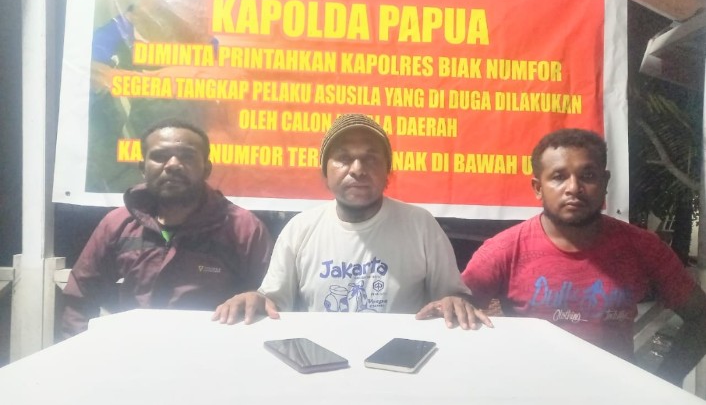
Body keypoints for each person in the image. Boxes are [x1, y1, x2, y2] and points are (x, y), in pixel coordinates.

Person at [461, 128, 706, 385]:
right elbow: (457, 310)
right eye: (558, 177)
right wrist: (453, 302)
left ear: (605, 182)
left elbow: (701, 315)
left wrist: (666, 382)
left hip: (614, 394)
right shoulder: (505, 249)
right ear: (538, 188)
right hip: (530, 392)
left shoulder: (643, 247)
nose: (574, 188)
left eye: (587, 176)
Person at [212, 113, 493, 330]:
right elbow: (274, 302)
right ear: (324, 174)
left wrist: (455, 302)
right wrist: (254, 300)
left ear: (388, 173)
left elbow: (452, 298)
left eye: (370, 159)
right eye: (344, 158)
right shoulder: (300, 229)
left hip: (399, 362)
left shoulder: (420, 225)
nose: (357, 169)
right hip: (318, 361)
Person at [61, 118, 273, 338]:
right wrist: (83, 351)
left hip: (212, 352)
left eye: (187, 156)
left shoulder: (243, 228)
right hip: (134, 350)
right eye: (160, 156)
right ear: (143, 168)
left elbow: (269, 297)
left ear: (206, 169)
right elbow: (80, 298)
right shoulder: (118, 224)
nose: (173, 165)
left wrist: (255, 298)